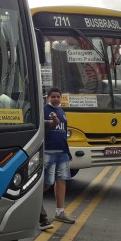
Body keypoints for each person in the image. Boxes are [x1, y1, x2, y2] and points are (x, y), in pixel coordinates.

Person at [40, 87, 75, 228]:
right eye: (53, 96)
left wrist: (68, 152)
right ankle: (30, 202)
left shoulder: (62, 112)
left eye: (58, 97)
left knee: (62, 181)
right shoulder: (44, 110)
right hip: (48, 152)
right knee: (47, 183)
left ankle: (60, 212)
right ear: (48, 97)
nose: (56, 99)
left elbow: (63, 133)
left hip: (62, 153)